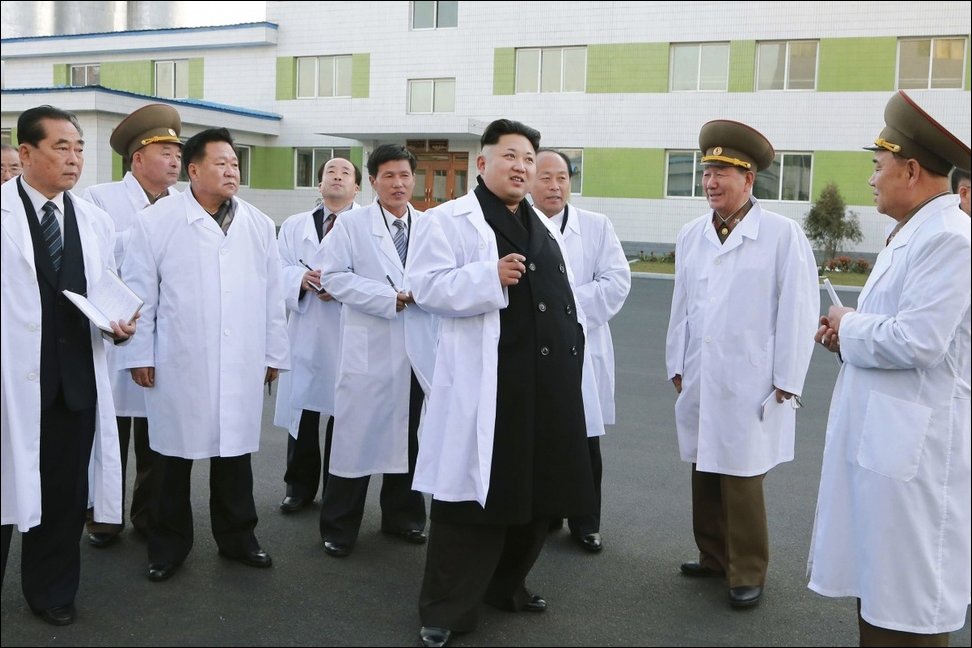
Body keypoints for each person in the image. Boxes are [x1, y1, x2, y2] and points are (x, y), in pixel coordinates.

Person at [407, 119, 597, 648]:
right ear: (482, 163)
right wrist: (487, 276)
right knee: (470, 502)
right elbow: (424, 287)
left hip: (547, 387)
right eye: (510, 155)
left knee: (537, 494)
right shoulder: (448, 220)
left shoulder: (543, 226)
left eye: (528, 159)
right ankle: (445, 609)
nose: (521, 166)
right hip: (488, 385)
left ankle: (505, 585)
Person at [809, 90, 971, 646]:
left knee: (909, 602)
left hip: (917, 450)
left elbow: (918, 341)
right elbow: (895, 329)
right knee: (881, 585)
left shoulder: (949, 239)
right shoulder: (914, 233)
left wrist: (849, 322)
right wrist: (845, 338)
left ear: (910, 170)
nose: (872, 179)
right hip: (888, 438)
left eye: (878, 166)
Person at [120, 127, 289, 582]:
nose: (232, 170)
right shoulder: (156, 221)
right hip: (179, 359)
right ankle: (168, 545)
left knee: (234, 454)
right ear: (193, 170)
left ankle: (238, 537)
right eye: (221, 163)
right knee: (171, 459)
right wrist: (139, 354)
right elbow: (141, 293)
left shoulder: (257, 223)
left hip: (241, 357)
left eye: (235, 163)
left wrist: (274, 352)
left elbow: (272, 294)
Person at [665, 119, 819, 610]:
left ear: (748, 178)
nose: (710, 182)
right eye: (706, 172)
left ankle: (747, 569)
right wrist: (676, 362)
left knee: (742, 476)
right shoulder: (692, 234)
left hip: (752, 377)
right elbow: (682, 304)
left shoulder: (781, 234)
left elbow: (798, 310)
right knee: (704, 466)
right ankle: (713, 556)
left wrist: (788, 378)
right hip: (701, 370)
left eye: (721, 174)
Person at [1, 105, 135, 626]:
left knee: (64, 494)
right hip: (10, 382)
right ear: (26, 152)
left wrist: (116, 326)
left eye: (79, 148)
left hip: (73, 381)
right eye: (61, 147)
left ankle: (52, 591)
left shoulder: (95, 220)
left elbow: (103, 288)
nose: (75, 158)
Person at [316, 143, 437, 557]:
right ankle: (338, 527)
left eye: (404, 175)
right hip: (369, 347)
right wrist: (389, 298)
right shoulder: (351, 225)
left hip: (416, 348)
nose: (398, 184)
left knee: (410, 437)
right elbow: (332, 277)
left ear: (413, 180)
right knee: (356, 439)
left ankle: (404, 518)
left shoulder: (431, 226)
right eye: (388, 176)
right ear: (372, 181)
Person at [80, 103, 183, 548]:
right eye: (165, 153)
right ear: (137, 158)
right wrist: (147, 232)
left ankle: (149, 515)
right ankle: (103, 516)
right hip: (113, 332)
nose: (175, 161)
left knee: (156, 435)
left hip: (162, 333)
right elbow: (94, 259)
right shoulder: (99, 199)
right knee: (109, 432)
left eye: (178, 154)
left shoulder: (184, 204)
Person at [530, 148, 631, 553]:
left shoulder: (596, 226)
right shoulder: (515, 225)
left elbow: (616, 282)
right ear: (530, 181)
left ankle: (586, 522)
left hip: (583, 347)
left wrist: (562, 306)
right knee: (540, 439)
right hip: (536, 348)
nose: (555, 186)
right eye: (546, 177)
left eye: (562, 178)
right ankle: (545, 515)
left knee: (584, 441)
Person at [273, 157, 360, 514]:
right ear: (319, 184)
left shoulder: (366, 225)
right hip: (306, 330)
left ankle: (336, 492)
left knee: (345, 417)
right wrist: (300, 279)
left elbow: (377, 274)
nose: (337, 177)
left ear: (357, 187)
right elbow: (275, 269)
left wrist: (341, 286)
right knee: (303, 414)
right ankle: (299, 487)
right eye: (330, 172)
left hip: (349, 332)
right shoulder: (294, 225)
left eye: (345, 173)